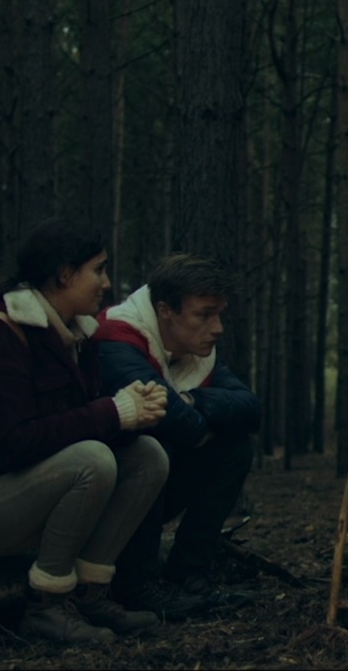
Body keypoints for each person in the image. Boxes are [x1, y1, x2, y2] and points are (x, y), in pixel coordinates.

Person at [0, 218, 171, 645]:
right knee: (92, 460)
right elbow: (13, 445)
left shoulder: (76, 335)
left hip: (18, 493)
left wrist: (132, 413)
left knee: (147, 456)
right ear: (65, 274)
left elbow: (70, 429)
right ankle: (46, 605)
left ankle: (90, 593)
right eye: (98, 269)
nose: (106, 282)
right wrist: (113, 412)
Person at [93, 254, 260, 618]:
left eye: (219, 314)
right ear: (165, 310)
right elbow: (171, 419)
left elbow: (250, 408)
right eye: (205, 315)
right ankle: (135, 583)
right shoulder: (117, 337)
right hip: (100, 502)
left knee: (234, 448)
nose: (218, 328)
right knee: (152, 443)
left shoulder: (195, 352)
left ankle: (188, 573)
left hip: (154, 491)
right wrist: (194, 419)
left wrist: (192, 400)